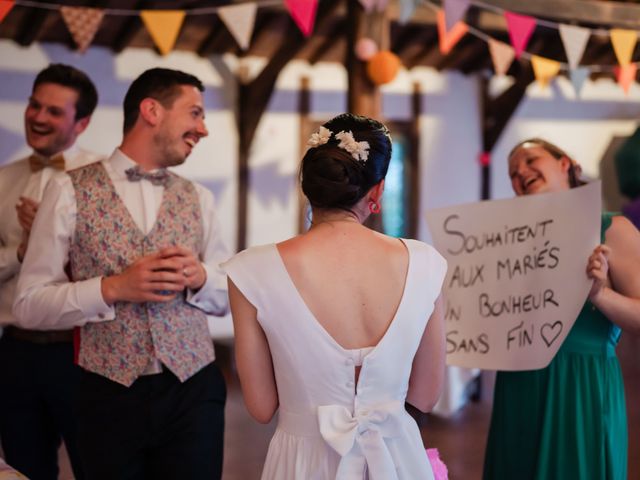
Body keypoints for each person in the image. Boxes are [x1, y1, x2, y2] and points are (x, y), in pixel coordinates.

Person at [13, 67, 229, 479]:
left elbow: (229, 296)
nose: (202, 129)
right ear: (151, 111)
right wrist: (112, 288)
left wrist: (200, 277)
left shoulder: (199, 198)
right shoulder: (67, 190)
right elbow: (28, 304)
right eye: (195, 113)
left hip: (194, 391)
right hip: (106, 394)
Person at [223, 113, 448, 479]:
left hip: (302, 463)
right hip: (397, 458)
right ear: (377, 192)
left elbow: (261, 406)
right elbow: (425, 396)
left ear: (309, 187)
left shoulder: (251, 270)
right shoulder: (424, 263)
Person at [483, 138, 640, 479]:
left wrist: (600, 295)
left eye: (529, 159)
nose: (520, 172)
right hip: (518, 384)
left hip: (582, 385)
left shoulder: (612, 229)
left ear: (565, 164)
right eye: (512, 172)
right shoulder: (510, 242)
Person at [0, 63, 101, 480]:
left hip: (82, 351)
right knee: (25, 469)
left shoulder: (101, 180)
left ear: (82, 122)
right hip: (14, 351)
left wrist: (56, 236)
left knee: (95, 464)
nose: (38, 117)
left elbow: (113, 265)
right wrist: (23, 251)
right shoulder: (3, 180)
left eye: (54, 111)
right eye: (34, 105)